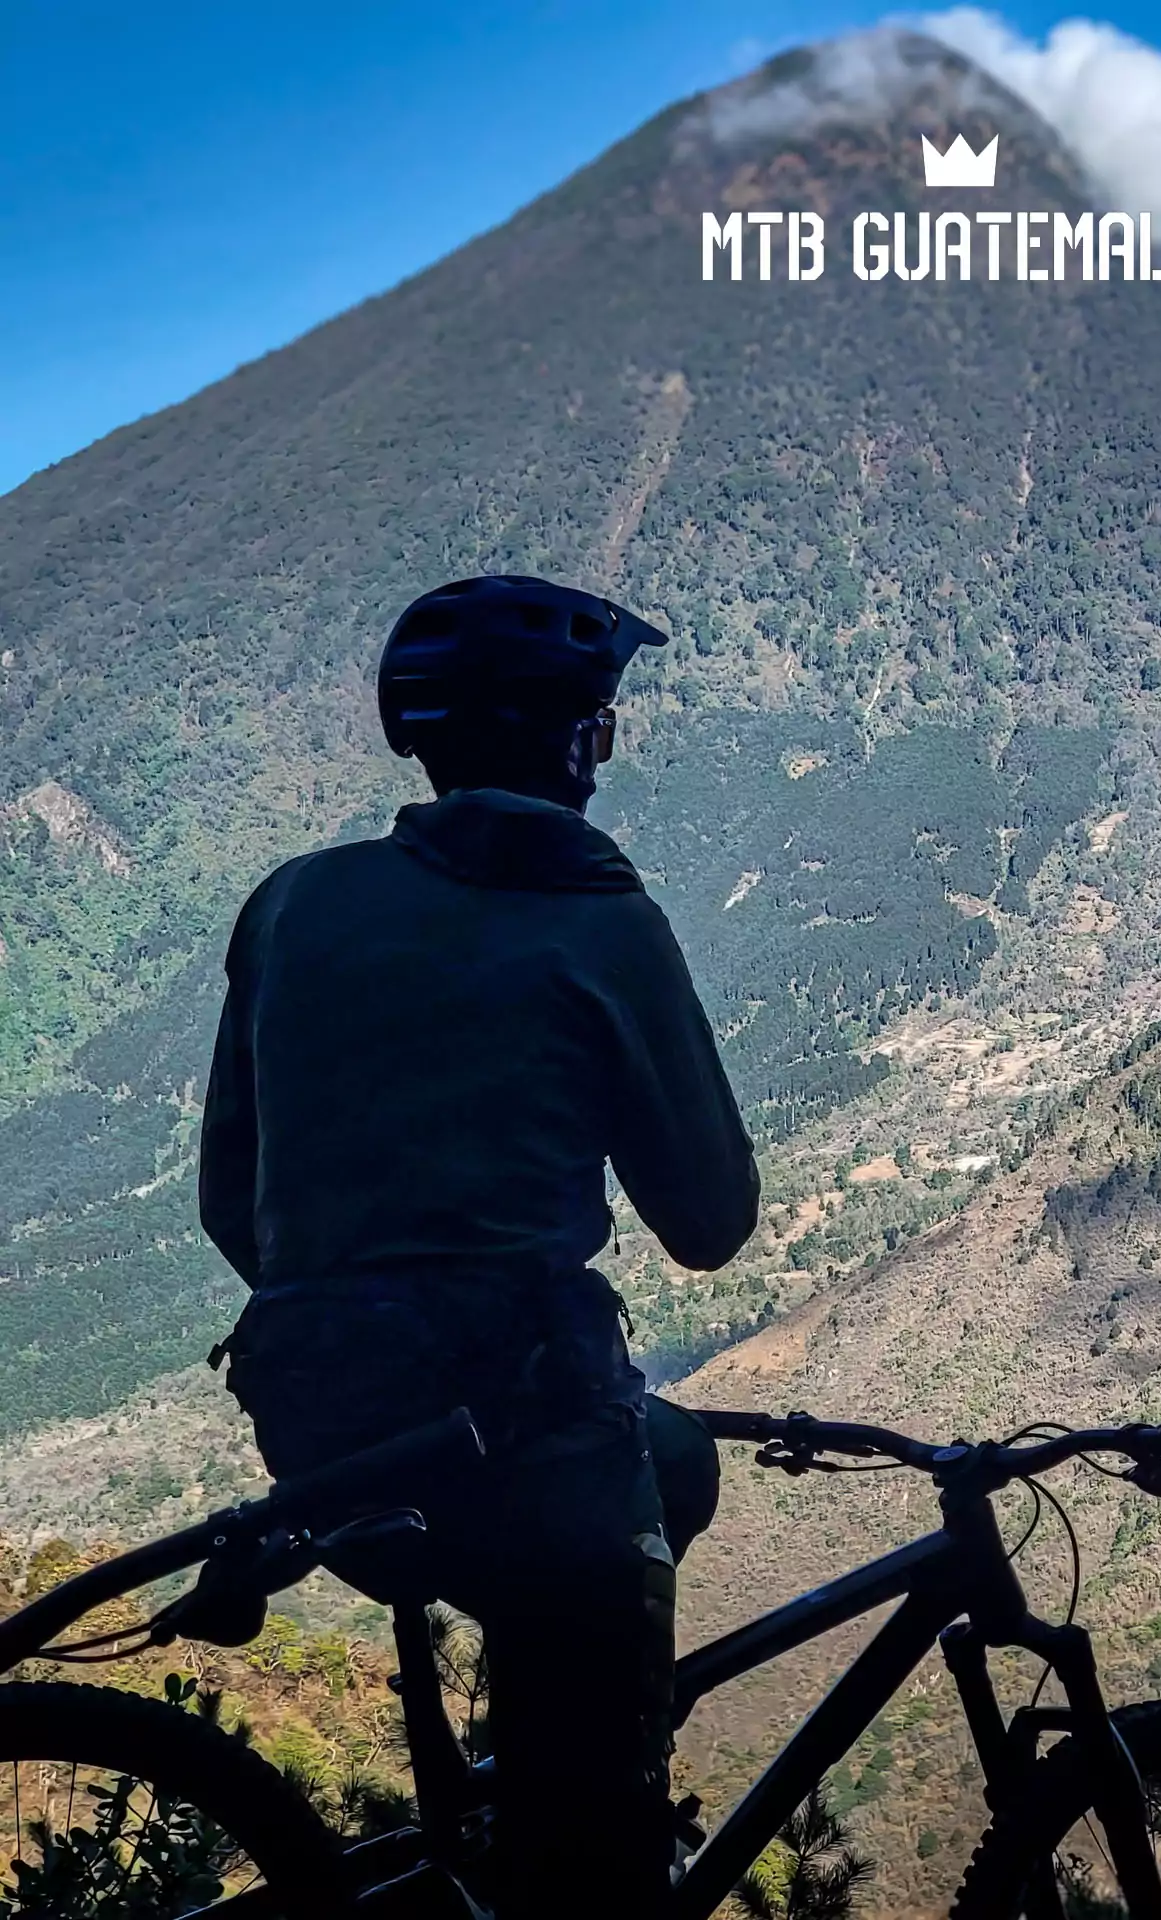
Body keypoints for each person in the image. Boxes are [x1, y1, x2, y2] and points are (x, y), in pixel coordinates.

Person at [198, 573, 760, 1916]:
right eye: (604, 727)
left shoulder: (291, 906)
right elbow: (711, 1223)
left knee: (647, 1467)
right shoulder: (600, 921)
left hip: (322, 1431)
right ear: (574, 743)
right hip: (525, 1444)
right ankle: (581, 1829)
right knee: (669, 1470)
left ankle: (518, 1804)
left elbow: (235, 1205)